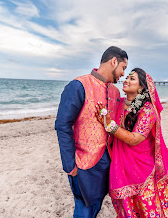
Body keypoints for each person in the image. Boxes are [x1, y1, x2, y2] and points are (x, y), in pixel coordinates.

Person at [55, 46, 128, 217]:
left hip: (107, 160)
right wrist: (69, 165)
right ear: (114, 61)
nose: (123, 74)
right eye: (123, 68)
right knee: (84, 208)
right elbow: (62, 125)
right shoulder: (79, 85)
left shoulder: (115, 91)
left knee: (97, 205)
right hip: (83, 162)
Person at [95, 68, 168, 217]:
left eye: (132, 79)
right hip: (120, 164)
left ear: (141, 87)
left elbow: (135, 139)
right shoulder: (118, 103)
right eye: (126, 77)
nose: (126, 80)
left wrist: (109, 125)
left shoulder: (148, 109)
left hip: (142, 167)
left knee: (147, 208)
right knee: (126, 209)